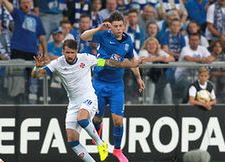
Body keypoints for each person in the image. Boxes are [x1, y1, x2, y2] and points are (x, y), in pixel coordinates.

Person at [32, 39, 112, 162]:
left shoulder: (86, 58)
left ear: (77, 52)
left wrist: (127, 63)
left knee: (82, 119)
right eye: (67, 52)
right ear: (63, 51)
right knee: (72, 141)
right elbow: (37, 75)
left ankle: (100, 144)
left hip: (88, 97)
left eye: (72, 52)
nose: (70, 55)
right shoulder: (57, 63)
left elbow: (104, 62)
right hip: (73, 103)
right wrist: (36, 68)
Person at [81, 12, 145, 162]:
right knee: (97, 118)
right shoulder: (103, 35)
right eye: (115, 26)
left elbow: (132, 61)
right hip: (99, 84)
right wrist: (98, 28)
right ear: (111, 26)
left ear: (124, 25)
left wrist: (139, 78)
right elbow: (83, 37)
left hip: (116, 86)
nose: (118, 29)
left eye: (120, 26)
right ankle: (99, 126)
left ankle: (117, 150)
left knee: (118, 120)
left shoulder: (128, 41)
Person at [139, 37, 175, 104]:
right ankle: (149, 107)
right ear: (146, 45)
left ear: (157, 45)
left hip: (160, 77)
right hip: (147, 77)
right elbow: (143, 60)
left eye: (153, 44)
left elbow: (172, 58)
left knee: (167, 86)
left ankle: (170, 108)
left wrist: (165, 59)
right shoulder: (143, 51)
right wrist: (160, 58)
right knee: (150, 89)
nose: (151, 46)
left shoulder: (159, 51)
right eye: (149, 44)